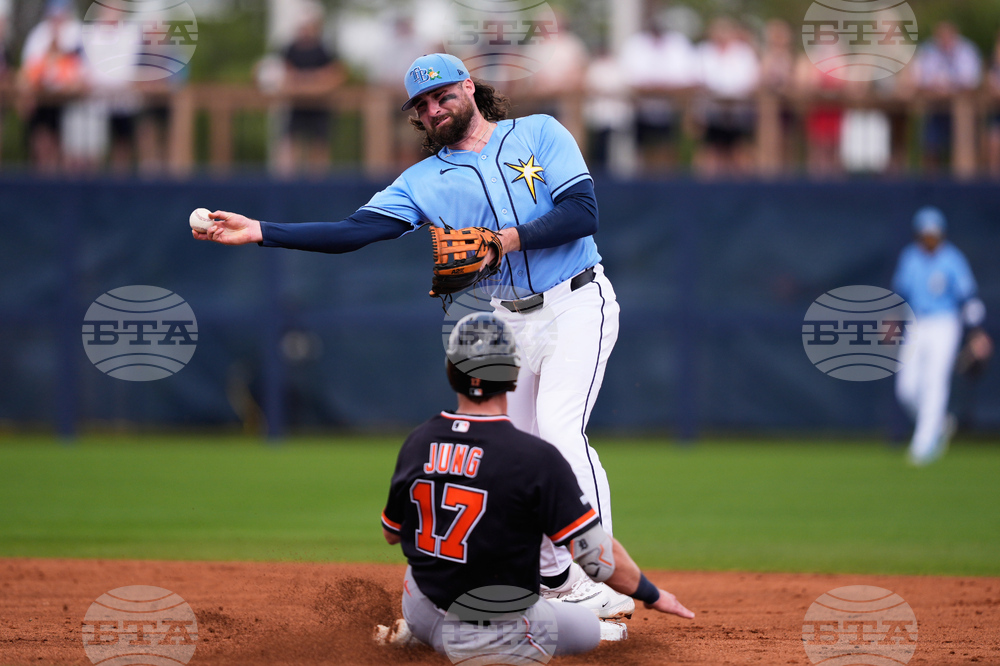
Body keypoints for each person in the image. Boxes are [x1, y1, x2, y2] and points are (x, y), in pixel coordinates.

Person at [194, 53, 632, 619]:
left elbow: (582, 213)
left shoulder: (540, 133)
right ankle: (559, 585)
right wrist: (261, 231)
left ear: (469, 89)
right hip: (510, 318)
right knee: (522, 456)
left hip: (577, 301)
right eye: (421, 105)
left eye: (443, 94)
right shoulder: (423, 181)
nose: (433, 108)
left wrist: (502, 241)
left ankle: (602, 579)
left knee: (558, 430)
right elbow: (353, 232)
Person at [375, 313, 694, 656]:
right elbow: (596, 556)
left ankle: (420, 635)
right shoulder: (534, 458)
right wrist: (652, 594)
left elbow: (392, 533)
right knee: (589, 630)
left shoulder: (419, 441)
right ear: (514, 377)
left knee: (429, 572)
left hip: (420, 608)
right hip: (484, 635)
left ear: (452, 372)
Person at [892, 206, 991, 466]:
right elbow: (900, 293)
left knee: (934, 381)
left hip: (944, 323)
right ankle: (940, 422)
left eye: (934, 234)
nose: (930, 239)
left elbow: (968, 298)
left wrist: (977, 332)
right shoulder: (910, 257)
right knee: (907, 388)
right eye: (926, 234)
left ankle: (923, 445)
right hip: (916, 323)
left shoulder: (952, 259)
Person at [911, 22, 982, 173]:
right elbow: (918, 79)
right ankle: (930, 183)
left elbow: (971, 81)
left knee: (963, 142)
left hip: (962, 112)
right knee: (930, 144)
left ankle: (963, 182)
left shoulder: (967, 50)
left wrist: (950, 88)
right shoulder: (928, 50)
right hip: (935, 110)